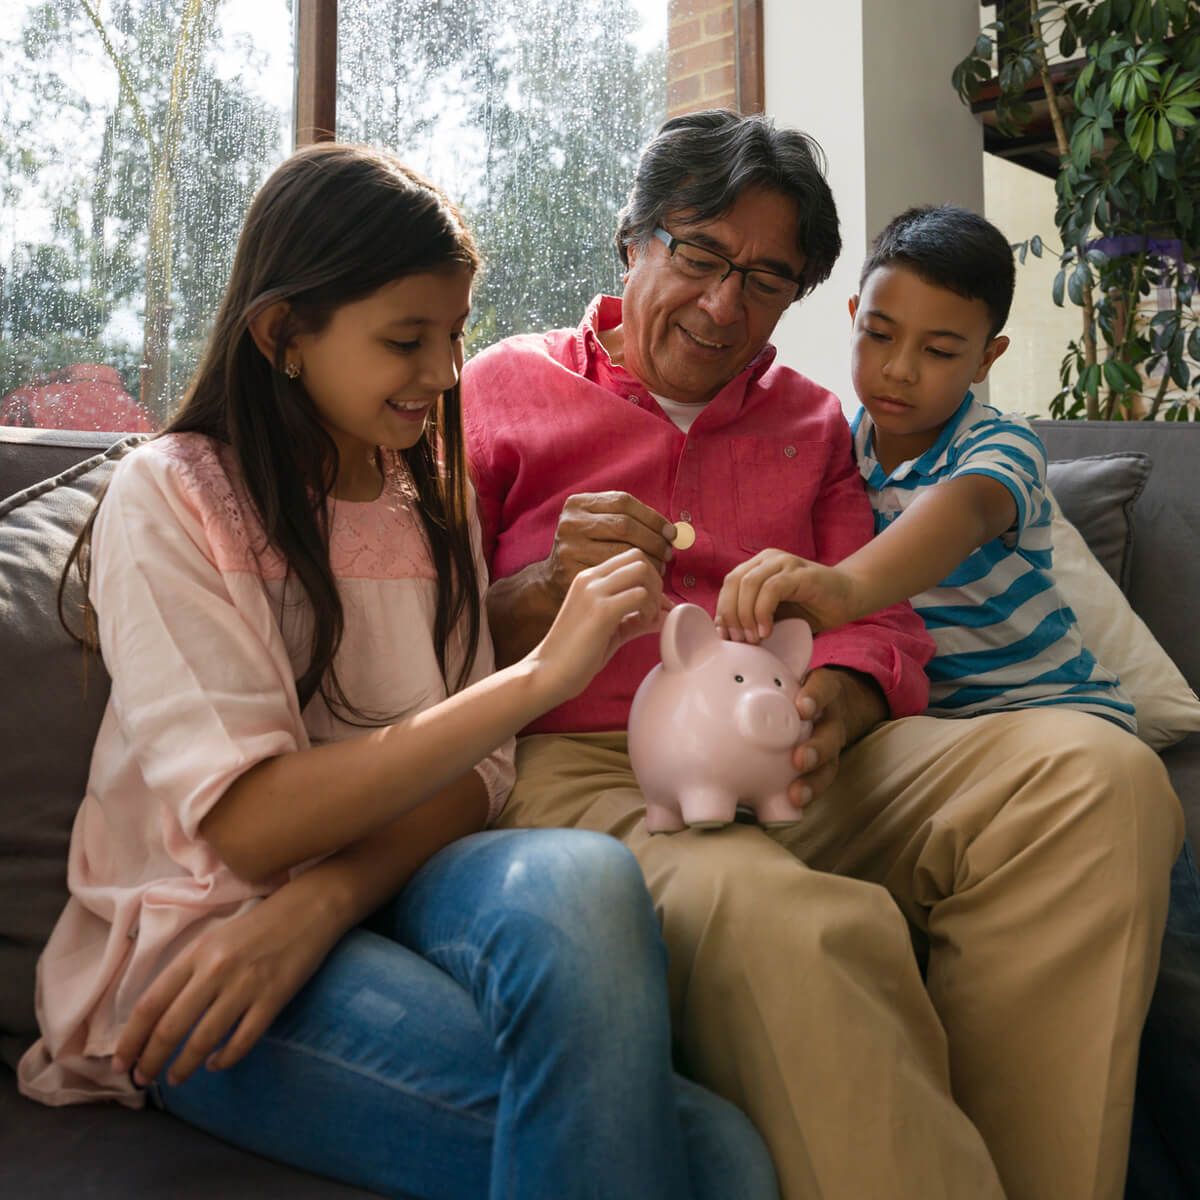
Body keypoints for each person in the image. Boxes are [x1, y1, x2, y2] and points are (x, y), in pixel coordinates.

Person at [16, 143, 779, 1200]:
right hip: (200, 955)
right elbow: (248, 823)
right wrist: (539, 677)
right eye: (406, 340)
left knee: (587, 877)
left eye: (456, 333)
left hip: (383, 889)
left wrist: (324, 902)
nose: (445, 372)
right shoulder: (176, 496)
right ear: (284, 335)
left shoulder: (424, 499)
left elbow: (479, 778)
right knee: (722, 1161)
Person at [461, 109, 1183, 1200]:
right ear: (634, 239)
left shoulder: (813, 426)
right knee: (788, 923)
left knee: (1097, 781)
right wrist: (535, 594)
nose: (723, 303)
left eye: (765, 278)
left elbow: (880, 623)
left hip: (801, 753)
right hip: (592, 764)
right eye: (701, 254)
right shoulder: (502, 388)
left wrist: (836, 711)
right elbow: (413, 632)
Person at [715, 204, 1135, 733]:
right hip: (910, 721)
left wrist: (844, 590)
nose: (899, 370)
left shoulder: (1000, 442)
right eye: (880, 335)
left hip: (1045, 709)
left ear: (986, 358)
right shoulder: (831, 448)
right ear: (853, 317)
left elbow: (963, 512)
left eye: (938, 351)